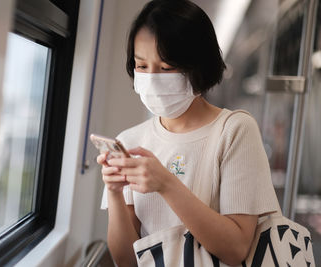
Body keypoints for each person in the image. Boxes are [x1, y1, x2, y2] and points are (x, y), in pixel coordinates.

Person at [97, 0, 279, 266]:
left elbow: (236, 250)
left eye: (167, 68)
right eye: (141, 66)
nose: (152, 78)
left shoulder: (234, 131)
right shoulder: (130, 141)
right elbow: (127, 261)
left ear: (198, 67)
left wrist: (167, 184)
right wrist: (114, 192)